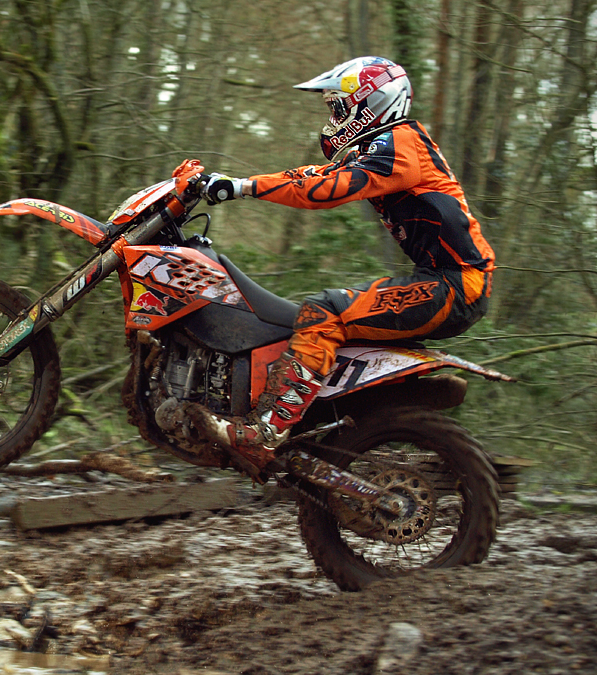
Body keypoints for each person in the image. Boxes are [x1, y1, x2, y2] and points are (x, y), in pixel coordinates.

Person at [188, 56, 495, 470]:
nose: (333, 118)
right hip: (444, 281)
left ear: (370, 103)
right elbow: (312, 176)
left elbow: (328, 187)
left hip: (455, 286)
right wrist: (239, 184)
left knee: (324, 312)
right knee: (328, 318)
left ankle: (265, 431)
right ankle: (311, 422)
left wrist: (244, 187)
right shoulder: (384, 147)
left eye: (338, 107)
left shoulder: (401, 147)